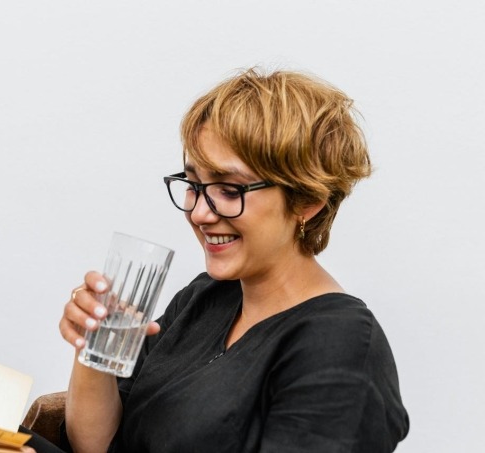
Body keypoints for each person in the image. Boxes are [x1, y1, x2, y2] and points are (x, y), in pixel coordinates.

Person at [56, 67, 410, 452]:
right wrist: (92, 349)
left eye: (229, 190)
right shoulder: (205, 298)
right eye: (194, 185)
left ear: (307, 201)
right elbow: (97, 445)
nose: (199, 213)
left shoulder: (340, 347)